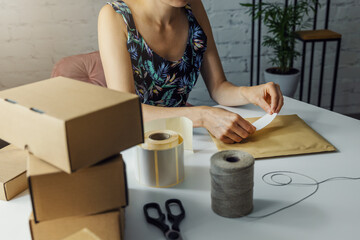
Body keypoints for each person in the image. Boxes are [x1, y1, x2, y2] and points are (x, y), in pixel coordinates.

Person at [98, 0, 284, 144]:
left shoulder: (192, 7)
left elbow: (219, 87)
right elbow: (126, 112)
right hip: (134, 143)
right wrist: (202, 116)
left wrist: (250, 93)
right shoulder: (114, 16)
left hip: (182, 138)